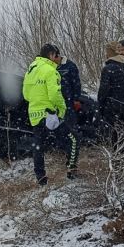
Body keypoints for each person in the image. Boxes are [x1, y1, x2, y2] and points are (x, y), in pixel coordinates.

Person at [22, 44, 79, 186]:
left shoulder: (31, 69)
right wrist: (62, 109)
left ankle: (41, 179)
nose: (56, 59)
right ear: (51, 55)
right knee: (74, 139)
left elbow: (26, 94)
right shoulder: (51, 70)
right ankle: (71, 172)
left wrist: (37, 103)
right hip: (50, 114)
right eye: (55, 55)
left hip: (34, 115)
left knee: (38, 146)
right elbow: (55, 95)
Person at [97, 42, 124, 146]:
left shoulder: (108, 68)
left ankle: (117, 159)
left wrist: (100, 105)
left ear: (110, 53)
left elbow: (103, 90)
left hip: (113, 105)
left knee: (115, 136)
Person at [57, 55, 82, 129]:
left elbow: (76, 84)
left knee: (69, 124)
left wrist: (76, 99)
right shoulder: (50, 66)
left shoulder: (70, 65)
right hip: (56, 101)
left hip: (68, 100)